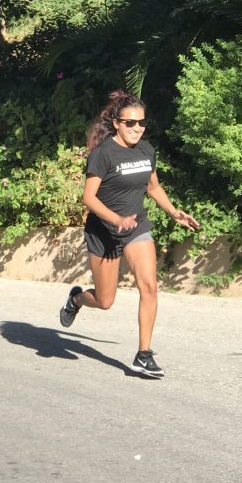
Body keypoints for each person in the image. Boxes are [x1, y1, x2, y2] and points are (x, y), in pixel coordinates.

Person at [58, 90, 200, 377]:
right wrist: (115, 219)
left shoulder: (146, 150)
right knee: (105, 301)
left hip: (136, 227)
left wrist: (173, 212)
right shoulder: (103, 154)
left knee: (149, 286)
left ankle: (143, 355)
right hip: (104, 233)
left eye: (141, 123)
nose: (137, 128)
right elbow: (89, 198)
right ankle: (76, 300)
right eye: (130, 123)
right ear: (116, 124)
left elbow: (153, 187)